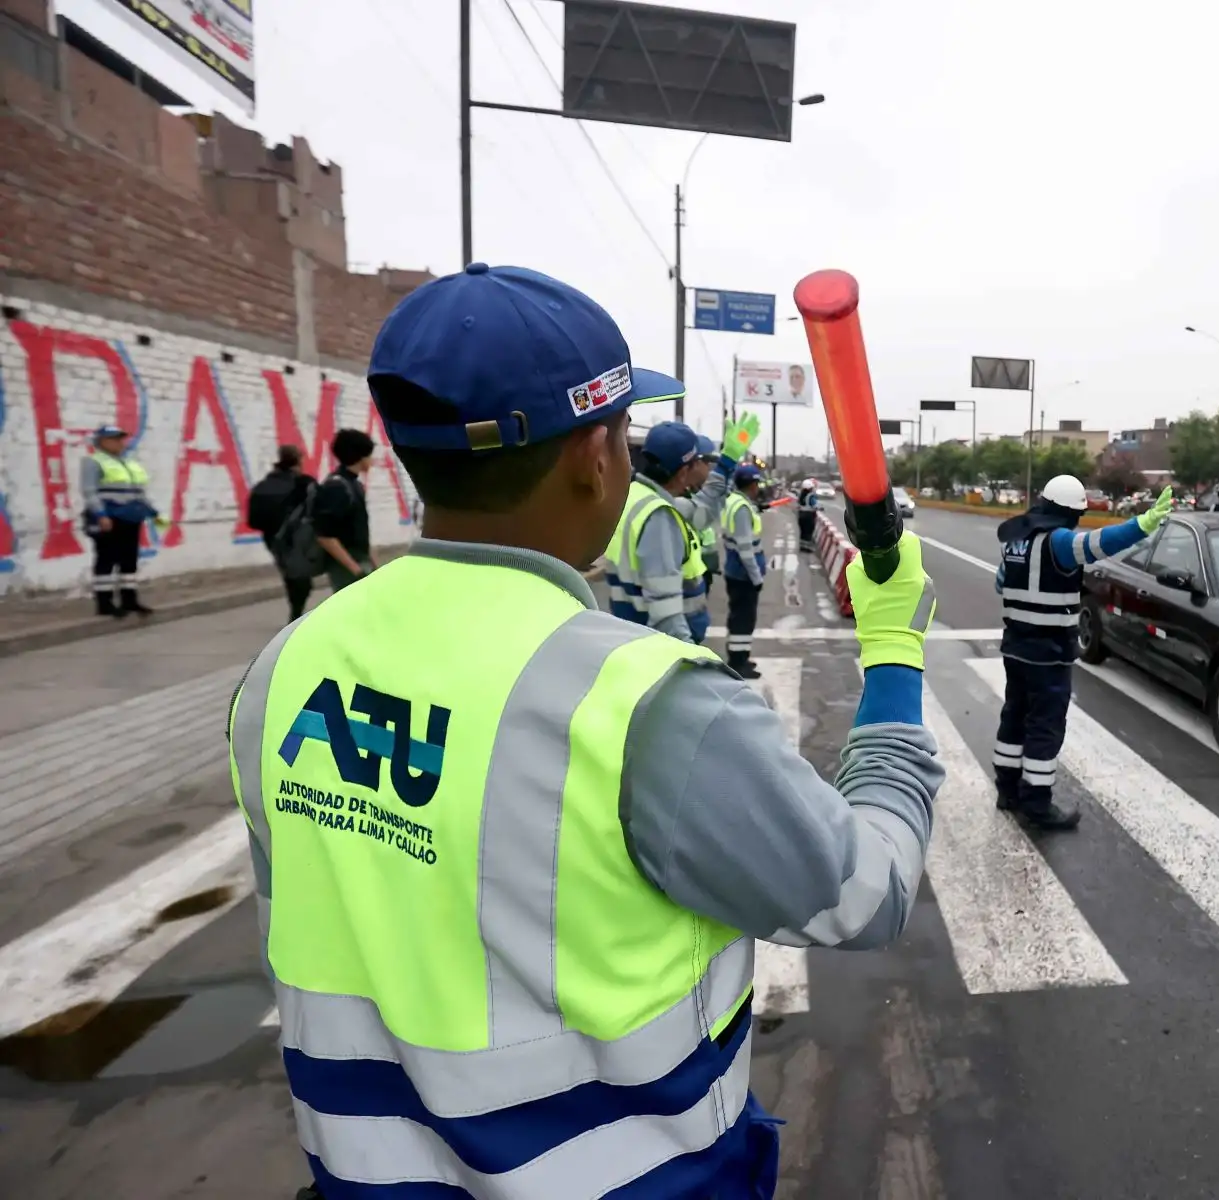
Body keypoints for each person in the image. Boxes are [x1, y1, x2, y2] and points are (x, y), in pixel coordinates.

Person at [227, 263, 944, 1200]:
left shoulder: (286, 666)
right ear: (592, 457)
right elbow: (869, 893)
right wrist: (892, 653)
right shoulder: (646, 706)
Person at [993, 475, 1174, 830]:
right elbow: (1101, 542)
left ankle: (1007, 790)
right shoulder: (1059, 542)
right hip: (1049, 654)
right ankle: (1037, 803)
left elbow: (1001, 582)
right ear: (1070, 512)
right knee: (1045, 726)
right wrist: (1145, 523)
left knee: (1014, 715)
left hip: (1016, 649)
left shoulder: (1016, 540)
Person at [603, 417, 757, 643]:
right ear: (684, 471)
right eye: (699, 462)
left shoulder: (637, 496)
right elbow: (666, 616)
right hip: (658, 646)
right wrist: (690, 664)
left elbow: (701, 510)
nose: (703, 467)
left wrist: (727, 462)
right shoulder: (659, 517)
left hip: (632, 632)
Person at [80, 424, 159, 618]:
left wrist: (152, 512)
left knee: (129, 560)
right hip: (110, 516)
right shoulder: (93, 462)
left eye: (120, 439)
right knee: (106, 559)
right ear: (102, 442)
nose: (119, 443)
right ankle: (104, 603)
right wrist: (100, 515)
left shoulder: (128, 463)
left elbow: (138, 490)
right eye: (114, 439)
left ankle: (129, 600)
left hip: (131, 516)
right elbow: (89, 491)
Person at [246, 444, 318, 622]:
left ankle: (295, 613)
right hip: (296, 538)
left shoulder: (264, 484)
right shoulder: (303, 483)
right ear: (298, 460)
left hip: (272, 538)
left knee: (290, 574)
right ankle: (295, 615)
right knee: (301, 579)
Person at [310, 429, 378, 591]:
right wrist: (355, 570)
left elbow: (359, 528)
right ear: (361, 457)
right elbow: (325, 536)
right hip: (346, 567)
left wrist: (372, 563)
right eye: (369, 455)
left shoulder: (355, 484)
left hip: (360, 561)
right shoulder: (337, 487)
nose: (372, 460)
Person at [722, 462, 768, 677]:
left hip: (737, 572)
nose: (758, 487)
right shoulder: (741, 508)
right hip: (743, 575)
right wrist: (756, 577)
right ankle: (737, 663)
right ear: (751, 485)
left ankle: (741, 657)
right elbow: (745, 549)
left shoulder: (735, 501)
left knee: (741, 618)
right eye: (757, 483)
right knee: (743, 619)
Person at [693, 435, 724, 594]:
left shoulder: (694, 492)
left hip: (704, 564)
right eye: (706, 463)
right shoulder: (681, 500)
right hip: (695, 571)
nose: (708, 469)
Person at [796, 477, 821, 552]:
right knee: (808, 532)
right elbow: (815, 505)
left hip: (801, 515)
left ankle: (802, 547)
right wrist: (820, 508)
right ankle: (807, 548)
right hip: (809, 516)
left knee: (803, 532)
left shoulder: (801, 495)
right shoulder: (811, 496)